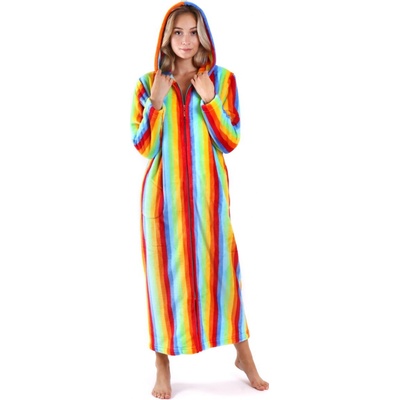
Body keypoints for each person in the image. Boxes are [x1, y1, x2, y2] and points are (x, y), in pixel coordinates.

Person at [130, 2, 269, 398]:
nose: (186, 40)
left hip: (209, 202)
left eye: (193, 32)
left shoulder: (222, 80)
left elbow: (230, 141)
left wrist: (209, 100)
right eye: (178, 32)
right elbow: (143, 146)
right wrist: (156, 102)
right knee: (163, 281)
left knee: (224, 273)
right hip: (164, 203)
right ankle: (162, 363)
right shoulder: (148, 84)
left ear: (203, 36)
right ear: (166, 37)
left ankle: (244, 355)